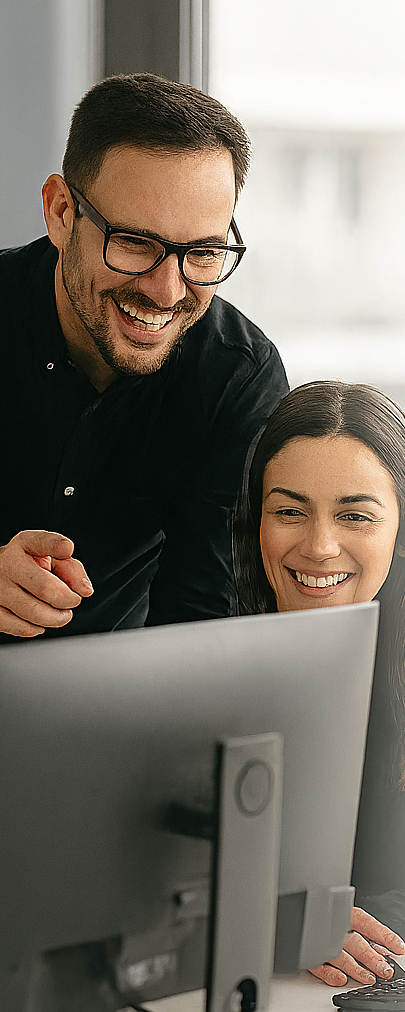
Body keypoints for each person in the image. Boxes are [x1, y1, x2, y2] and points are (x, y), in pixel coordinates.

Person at [0, 73, 288, 841]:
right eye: (135, 243)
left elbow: (201, 634)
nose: (167, 289)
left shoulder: (235, 378)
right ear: (60, 210)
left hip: (106, 761)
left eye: (203, 252)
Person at [233, 379, 405, 988]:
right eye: (289, 511)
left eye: (354, 515)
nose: (320, 546)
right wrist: (262, 921)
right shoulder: (201, 667)